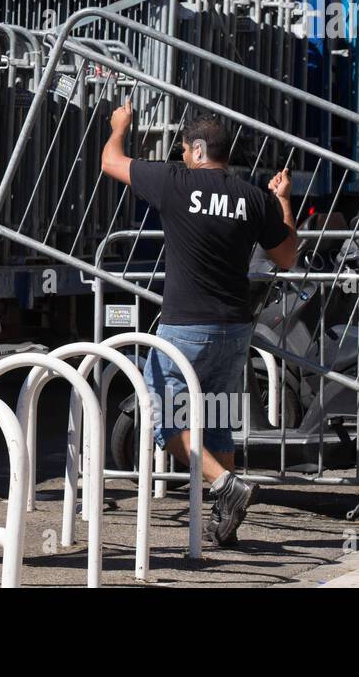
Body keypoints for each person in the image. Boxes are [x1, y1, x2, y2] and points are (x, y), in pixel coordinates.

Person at [102, 103, 297, 545]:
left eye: (184, 150)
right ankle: (223, 522)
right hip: (235, 327)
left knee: (162, 416)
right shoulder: (253, 197)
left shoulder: (175, 182)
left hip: (186, 327)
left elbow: (110, 162)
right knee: (218, 419)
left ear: (196, 150)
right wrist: (283, 199)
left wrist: (120, 127)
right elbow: (286, 256)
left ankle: (227, 486)